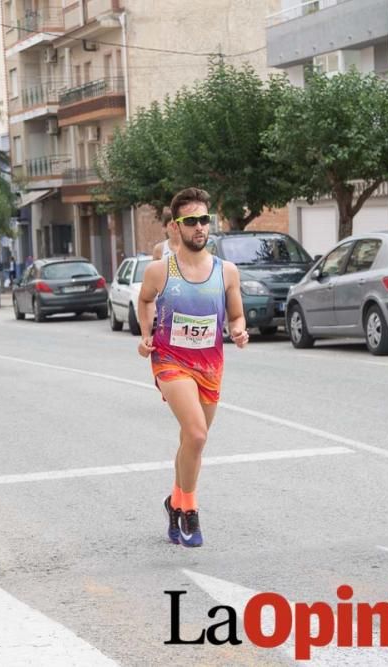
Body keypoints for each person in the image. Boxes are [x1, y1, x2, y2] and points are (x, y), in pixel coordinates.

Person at [136, 187, 250, 548]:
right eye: (191, 221)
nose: (200, 227)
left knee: (192, 441)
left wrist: (239, 330)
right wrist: (145, 334)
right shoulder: (160, 270)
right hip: (171, 361)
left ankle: (174, 501)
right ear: (175, 227)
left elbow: (236, 314)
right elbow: (144, 301)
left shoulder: (226, 271)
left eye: (205, 220)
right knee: (198, 433)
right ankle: (190, 509)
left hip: (210, 364)